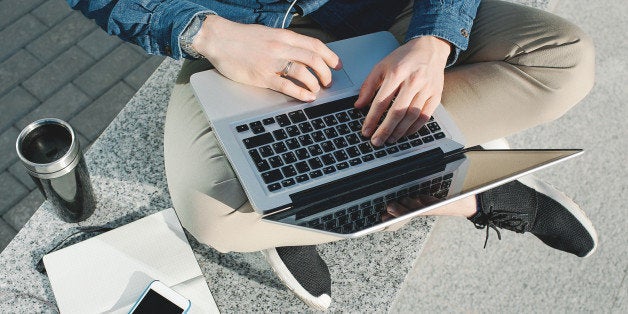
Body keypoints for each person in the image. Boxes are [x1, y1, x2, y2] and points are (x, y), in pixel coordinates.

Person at [69, 0, 597, 310]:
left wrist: (435, 40)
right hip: (247, 35)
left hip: (389, 8)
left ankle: (303, 207)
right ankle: (464, 195)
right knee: (211, 215)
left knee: (566, 61)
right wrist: (209, 34)